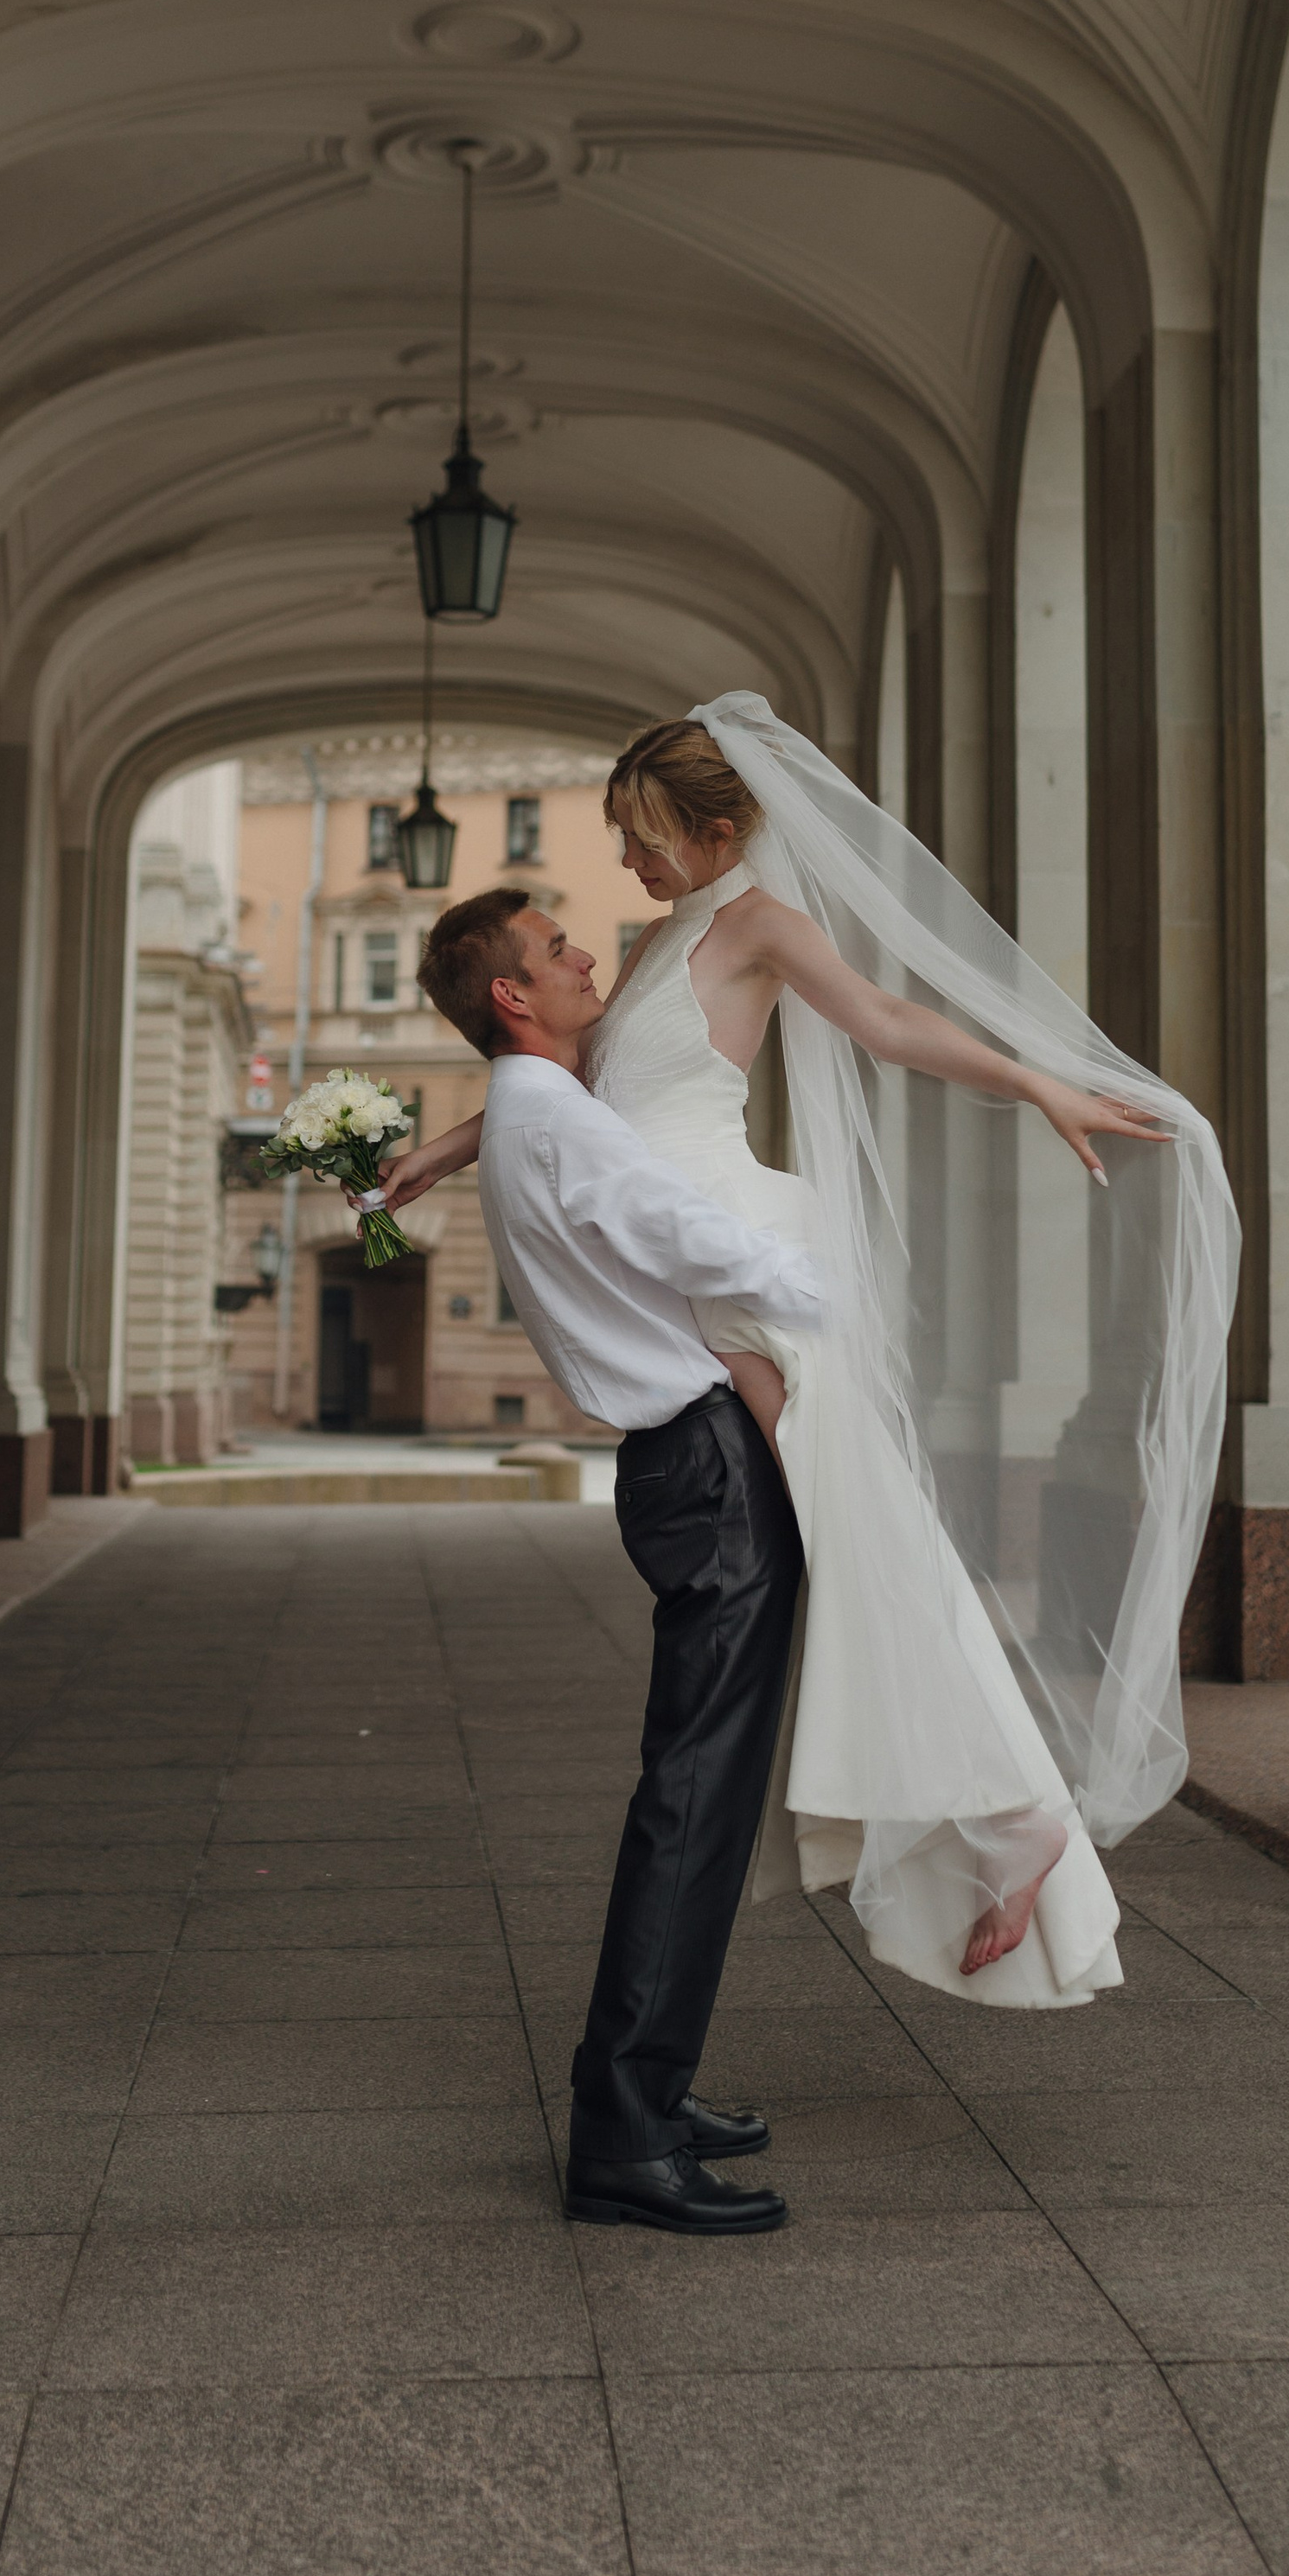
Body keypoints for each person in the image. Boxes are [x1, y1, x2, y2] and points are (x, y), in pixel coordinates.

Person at [386, 696, 1241, 2009]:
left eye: (643, 834)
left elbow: (890, 1023)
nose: (628, 861)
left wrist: (1038, 1084)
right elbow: (568, 1092)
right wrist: (443, 1153)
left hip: (733, 1249)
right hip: (690, 1262)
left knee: (859, 1533)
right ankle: (985, 1813)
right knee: (845, 1539)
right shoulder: (648, 942)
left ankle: (1011, 1817)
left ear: (719, 829)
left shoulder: (760, 931)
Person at [411, 884, 827, 2236]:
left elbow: (617, 1184)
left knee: (694, 1798)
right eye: (555, 949)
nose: (586, 951)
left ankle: (644, 2087)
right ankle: (626, 2136)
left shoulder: (537, 1110)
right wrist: (850, 1285)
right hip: (700, 1472)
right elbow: (683, 1231)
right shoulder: (551, 1120)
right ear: (512, 1000)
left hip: (686, 1464)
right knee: (693, 1808)